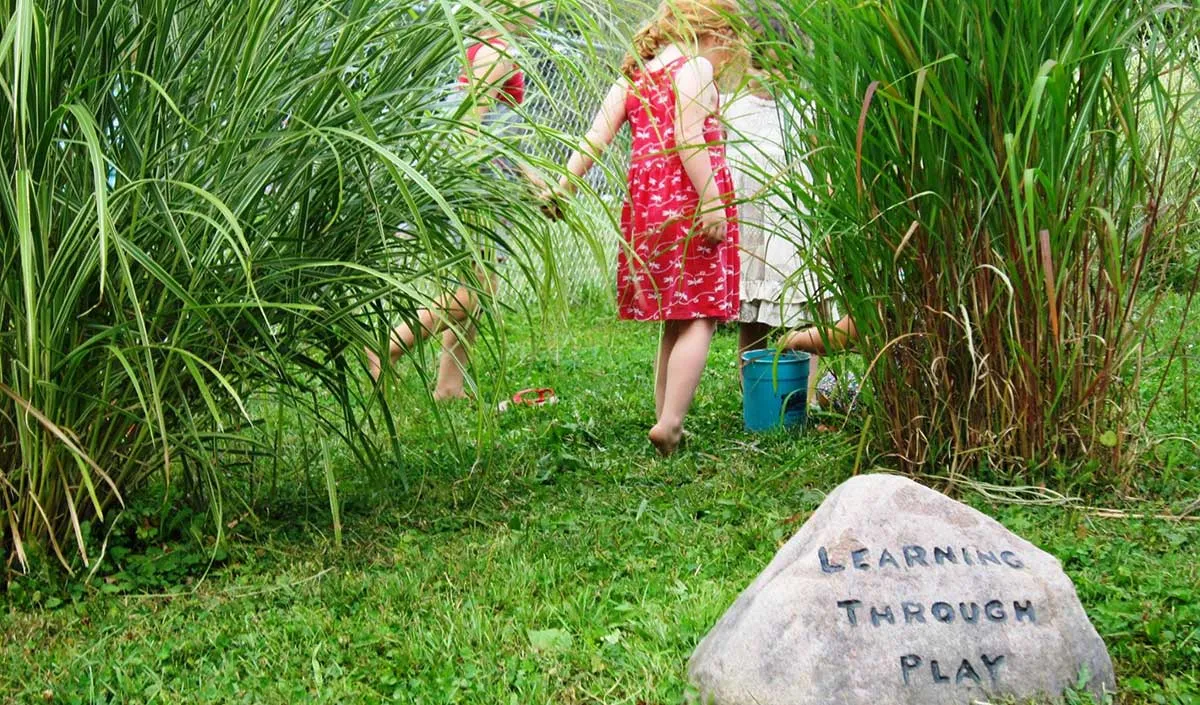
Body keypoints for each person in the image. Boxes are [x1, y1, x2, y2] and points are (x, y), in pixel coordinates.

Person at [547, 0, 747, 455]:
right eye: (728, 42)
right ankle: (672, 422)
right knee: (701, 316)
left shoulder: (636, 73)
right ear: (712, 31)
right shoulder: (694, 67)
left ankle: (664, 420)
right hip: (690, 208)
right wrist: (712, 202)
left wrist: (564, 186)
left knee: (674, 318)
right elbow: (687, 136)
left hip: (645, 212)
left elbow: (595, 136)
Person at [366, 0, 545, 399]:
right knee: (472, 293)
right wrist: (475, 193)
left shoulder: (488, 43)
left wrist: (528, 178)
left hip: (486, 182)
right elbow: (469, 126)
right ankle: (388, 343)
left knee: (480, 288)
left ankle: (450, 385)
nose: (540, 9)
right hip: (474, 187)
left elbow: (497, 128)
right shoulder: (499, 51)